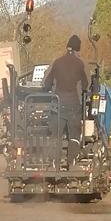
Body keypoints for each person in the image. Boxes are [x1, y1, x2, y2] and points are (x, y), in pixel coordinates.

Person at [41, 34, 90, 168]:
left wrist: (47, 90)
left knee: (55, 135)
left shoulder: (56, 62)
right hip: (74, 105)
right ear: (77, 49)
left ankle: (53, 164)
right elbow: (87, 85)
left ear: (67, 47)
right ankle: (72, 163)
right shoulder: (81, 63)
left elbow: (46, 83)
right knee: (74, 135)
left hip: (57, 104)